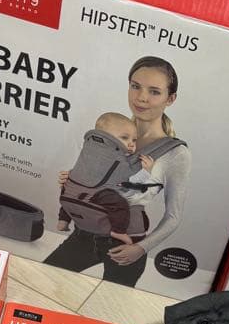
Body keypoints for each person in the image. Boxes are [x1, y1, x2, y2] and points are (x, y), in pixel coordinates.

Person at [44, 56, 192, 287]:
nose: (141, 97)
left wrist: (141, 249)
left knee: (107, 305)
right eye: (135, 86)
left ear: (170, 98)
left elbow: (173, 216)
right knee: (39, 282)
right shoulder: (109, 132)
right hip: (84, 234)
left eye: (154, 91)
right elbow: (96, 179)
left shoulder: (175, 153)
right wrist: (71, 179)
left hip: (127, 244)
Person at [55, 111, 159, 240]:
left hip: (70, 191)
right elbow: (129, 183)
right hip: (98, 194)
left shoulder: (89, 149)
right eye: (124, 138)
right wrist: (146, 172)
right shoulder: (119, 160)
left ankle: (63, 220)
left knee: (70, 192)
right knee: (120, 205)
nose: (131, 144)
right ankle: (118, 231)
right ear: (106, 137)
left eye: (134, 140)